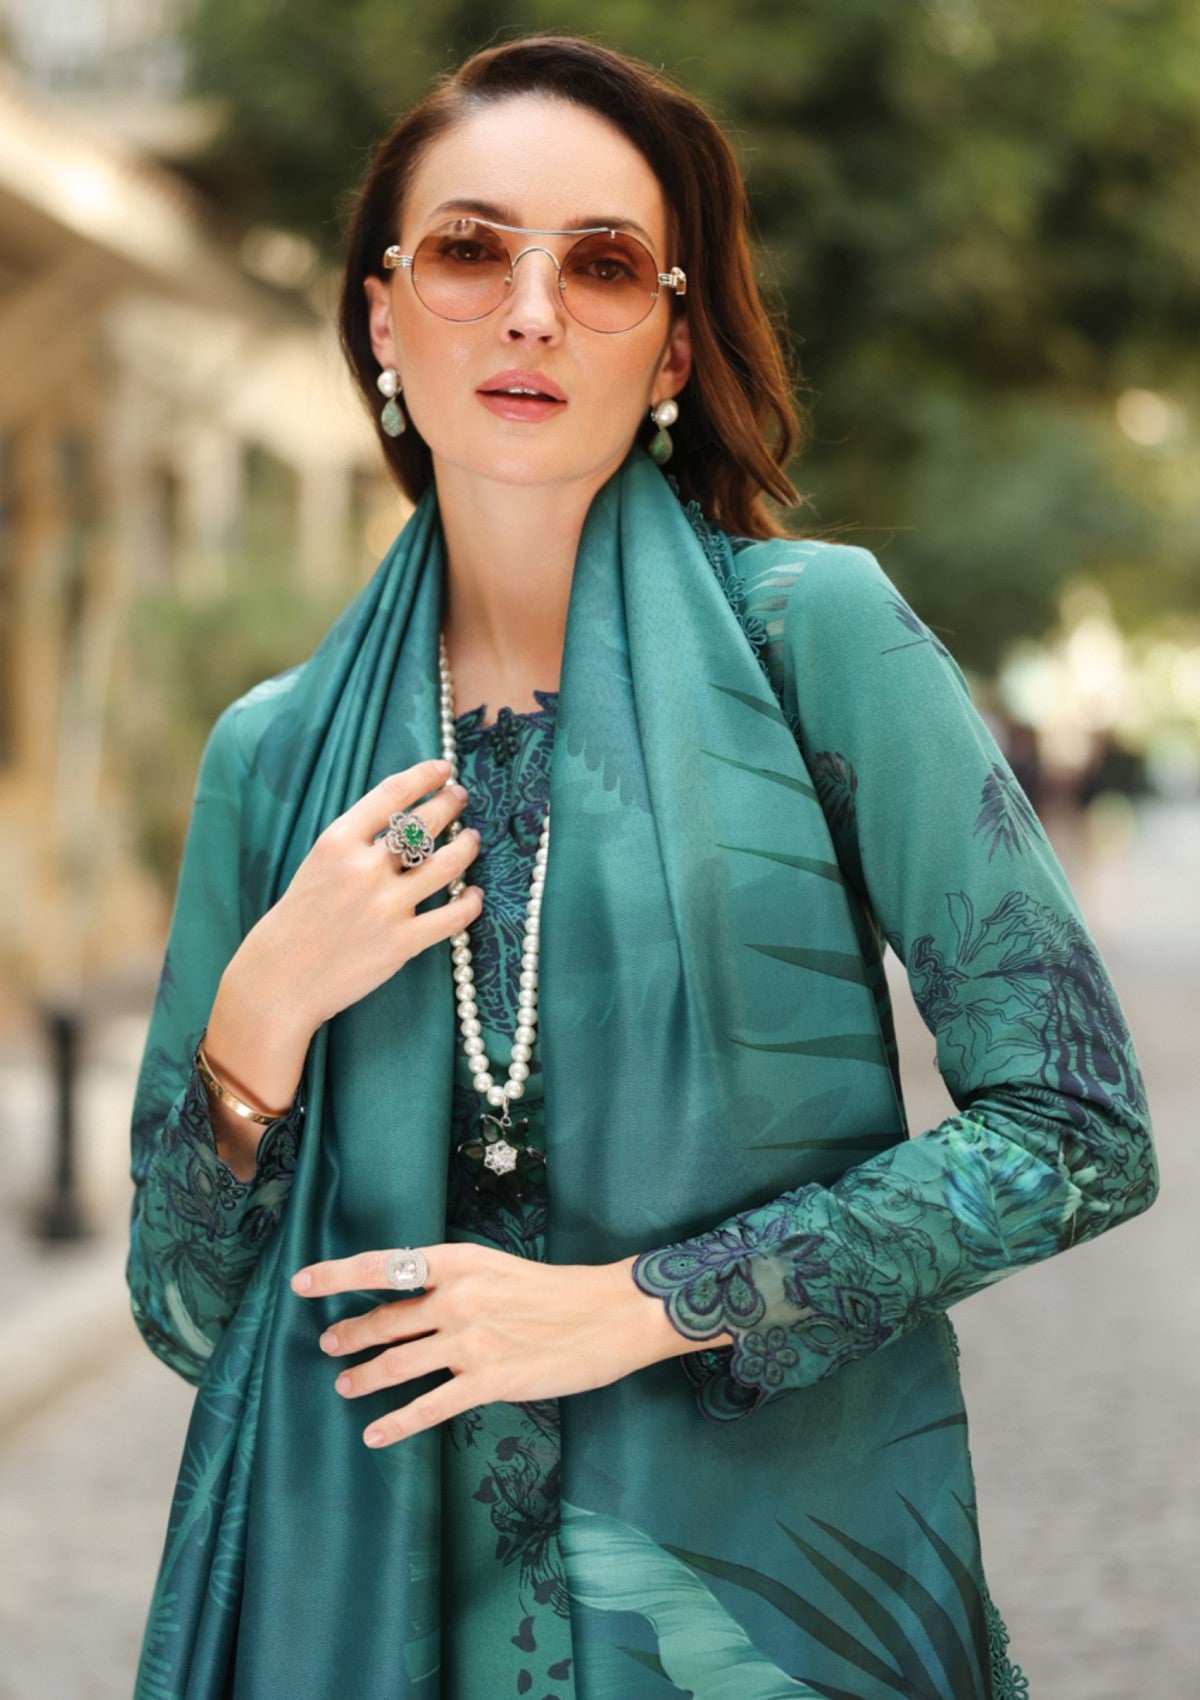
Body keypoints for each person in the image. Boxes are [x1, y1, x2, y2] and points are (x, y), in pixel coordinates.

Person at [126, 34, 1157, 1700]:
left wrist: (640, 1305)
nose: (530, 310)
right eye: (470, 249)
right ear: (383, 316)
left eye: (601, 264)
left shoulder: (812, 640)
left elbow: (1080, 1130)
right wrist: (259, 1020)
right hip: (378, 1619)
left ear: (672, 344)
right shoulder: (276, 754)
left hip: (762, 1613)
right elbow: (184, 1310)